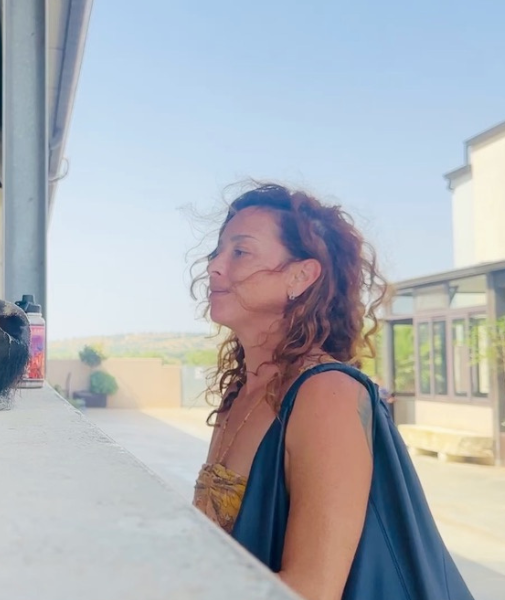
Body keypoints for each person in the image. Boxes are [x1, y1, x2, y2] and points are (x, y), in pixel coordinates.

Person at [189, 183, 473, 600]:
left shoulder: (326, 394)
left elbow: (311, 591)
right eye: (217, 252)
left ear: (300, 275)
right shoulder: (243, 388)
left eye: (240, 252)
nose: (215, 266)